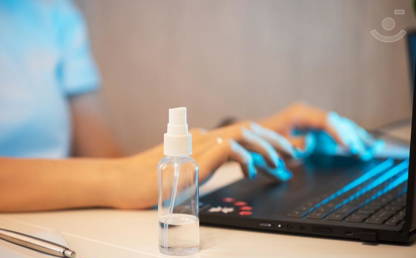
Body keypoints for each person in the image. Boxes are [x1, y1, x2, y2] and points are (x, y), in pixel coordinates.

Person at [0, 0, 382, 212]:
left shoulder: (50, 12)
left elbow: (106, 159)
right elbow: (114, 176)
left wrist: (239, 141)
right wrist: (116, 180)